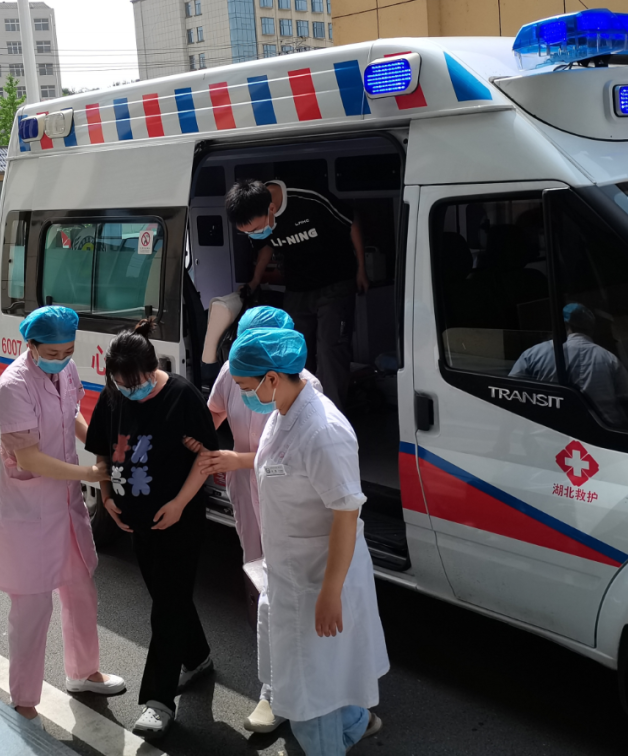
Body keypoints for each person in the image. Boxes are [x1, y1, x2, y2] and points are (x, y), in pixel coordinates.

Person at [228, 327, 389, 756]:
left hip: (319, 577)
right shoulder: (283, 411)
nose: (243, 395)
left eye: (245, 386)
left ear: (272, 378)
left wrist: (331, 592)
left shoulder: (322, 431)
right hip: (291, 572)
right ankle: (354, 722)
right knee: (313, 674)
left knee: (309, 693)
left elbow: (346, 513)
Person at [0, 305, 125, 726]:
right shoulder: (13, 387)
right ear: (31, 345)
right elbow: (29, 458)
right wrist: (89, 473)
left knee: (80, 591)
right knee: (32, 610)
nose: (62, 358)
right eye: (52, 352)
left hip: (64, 506)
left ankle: (84, 672)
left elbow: (73, 413)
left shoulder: (64, 370)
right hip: (28, 512)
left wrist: (99, 444)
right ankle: (24, 698)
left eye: (68, 351)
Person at [185, 305, 322, 735]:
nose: (242, 382)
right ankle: (276, 682)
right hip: (247, 490)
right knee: (261, 580)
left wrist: (236, 458)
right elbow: (212, 414)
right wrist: (198, 446)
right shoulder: (235, 369)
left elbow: (287, 456)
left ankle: (295, 686)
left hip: (289, 497)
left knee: (293, 589)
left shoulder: (305, 389)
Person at [83, 318, 220, 740]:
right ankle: (197, 657)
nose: (129, 391)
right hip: (135, 520)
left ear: (152, 368)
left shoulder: (182, 396)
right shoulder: (114, 393)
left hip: (179, 520)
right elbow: (102, 451)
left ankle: (158, 701)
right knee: (167, 596)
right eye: (121, 384)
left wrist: (179, 504)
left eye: (137, 384)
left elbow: (207, 457)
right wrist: (107, 498)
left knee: (167, 604)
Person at [225, 177, 368, 410]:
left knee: (330, 351)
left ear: (272, 209)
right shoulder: (258, 216)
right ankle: (301, 411)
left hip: (335, 282)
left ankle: (330, 415)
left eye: (255, 230)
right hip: (297, 288)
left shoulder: (309, 199)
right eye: (247, 233)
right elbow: (266, 247)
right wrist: (254, 281)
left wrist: (362, 268)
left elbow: (352, 221)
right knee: (294, 350)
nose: (254, 235)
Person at [510, 303, 628, 429]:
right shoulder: (610, 359)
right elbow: (626, 399)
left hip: (547, 432)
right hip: (602, 433)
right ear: (591, 328)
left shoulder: (534, 354)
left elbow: (511, 392)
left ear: (564, 325)